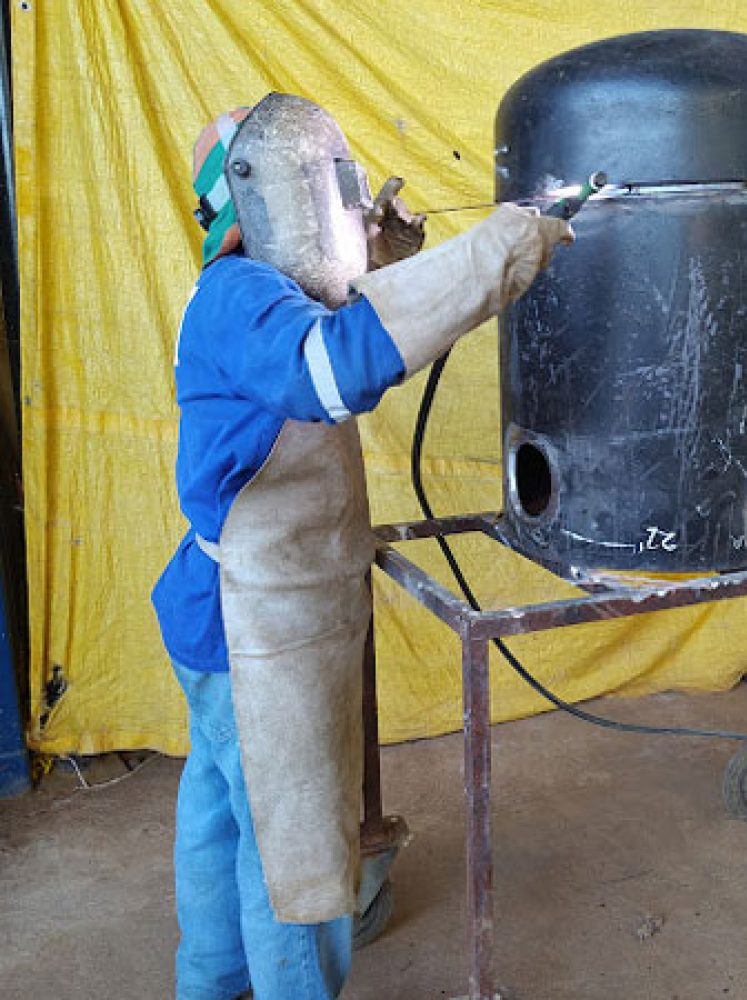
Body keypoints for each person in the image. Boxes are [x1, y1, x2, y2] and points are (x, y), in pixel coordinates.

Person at [152, 93, 574, 1000]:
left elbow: (329, 314)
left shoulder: (255, 290)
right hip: (258, 626)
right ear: (266, 187)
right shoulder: (240, 296)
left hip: (229, 612)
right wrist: (491, 258)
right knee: (295, 860)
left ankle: (207, 986)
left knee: (221, 819)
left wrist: (378, 256)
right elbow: (333, 368)